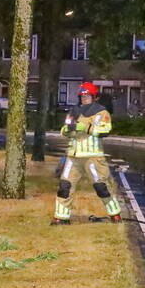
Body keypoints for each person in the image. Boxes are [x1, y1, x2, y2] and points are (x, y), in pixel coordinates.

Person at [52, 82, 121, 225]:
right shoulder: (73, 111)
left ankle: (115, 215)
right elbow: (66, 129)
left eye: (87, 95)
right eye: (82, 96)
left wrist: (86, 127)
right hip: (74, 156)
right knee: (65, 186)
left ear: (94, 97)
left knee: (101, 187)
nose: (84, 98)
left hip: (93, 157)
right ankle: (61, 218)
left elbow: (105, 130)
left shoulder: (102, 112)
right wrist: (65, 130)